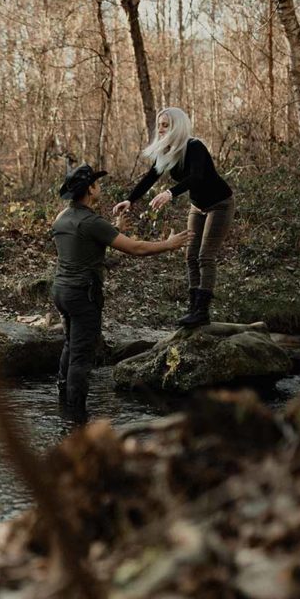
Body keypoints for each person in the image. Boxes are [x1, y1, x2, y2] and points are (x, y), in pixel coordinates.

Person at [52, 164, 189, 423]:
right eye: (96, 184)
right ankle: (75, 419)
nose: (99, 187)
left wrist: (114, 229)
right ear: (90, 190)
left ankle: (63, 403)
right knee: (82, 357)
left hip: (61, 291)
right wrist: (169, 245)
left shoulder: (62, 217)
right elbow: (136, 248)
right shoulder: (92, 222)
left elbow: (83, 246)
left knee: (70, 345)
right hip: (83, 295)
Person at [113, 107, 234, 327]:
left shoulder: (194, 147)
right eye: (159, 125)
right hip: (198, 207)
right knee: (190, 256)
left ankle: (201, 312)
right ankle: (193, 309)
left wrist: (170, 193)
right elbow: (151, 176)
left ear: (177, 126)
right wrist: (130, 199)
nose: (160, 129)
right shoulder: (167, 151)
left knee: (205, 256)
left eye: (166, 125)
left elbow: (196, 177)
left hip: (220, 205)